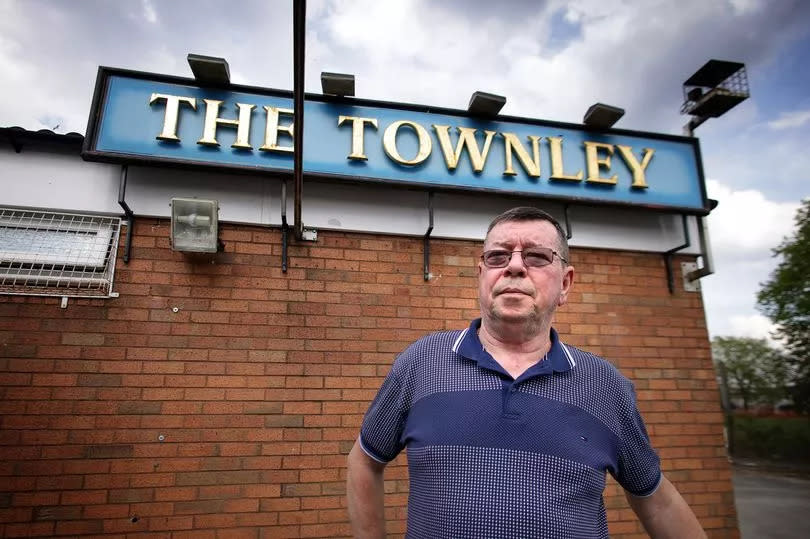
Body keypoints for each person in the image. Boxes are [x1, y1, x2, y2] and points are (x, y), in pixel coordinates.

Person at [346, 206, 706, 539]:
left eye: (536, 256)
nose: (514, 266)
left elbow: (657, 501)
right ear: (481, 275)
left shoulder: (605, 385)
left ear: (565, 283)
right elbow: (364, 460)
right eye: (498, 256)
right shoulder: (421, 363)